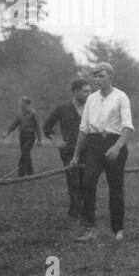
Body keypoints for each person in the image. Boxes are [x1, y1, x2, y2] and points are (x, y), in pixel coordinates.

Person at [73, 62, 133, 242]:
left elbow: (128, 126)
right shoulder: (91, 98)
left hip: (115, 143)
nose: (97, 79)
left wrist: (117, 147)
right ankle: (89, 229)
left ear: (110, 77)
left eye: (101, 76)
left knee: (115, 188)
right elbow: (83, 128)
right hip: (94, 145)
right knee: (88, 184)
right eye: (95, 76)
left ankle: (117, 230)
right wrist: (76, 155)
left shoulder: (121, 97)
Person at [43, 78, 91, 218]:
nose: (89, 94)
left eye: (90, 91)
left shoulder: (91, 108)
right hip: (69, 151)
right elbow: (47, 127)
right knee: (73, 181)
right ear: (75, 91)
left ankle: (77, 209)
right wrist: (56, 141)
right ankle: (77, 212)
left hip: (87, 150)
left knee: (85, 182)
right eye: (85, 91)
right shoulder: (62, 109)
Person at [2, 96, 42, 177]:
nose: (19, 104)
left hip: (30, 136)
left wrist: (39, 140)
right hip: (22, 136)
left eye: (21, 102)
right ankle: (30, 173)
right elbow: (14, 125)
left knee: (25, 153)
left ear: (26, 103)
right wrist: (7, 132)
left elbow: (37, 127)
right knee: (26, 154)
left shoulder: (33, 113)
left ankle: (21, 175)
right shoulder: (19, 113)